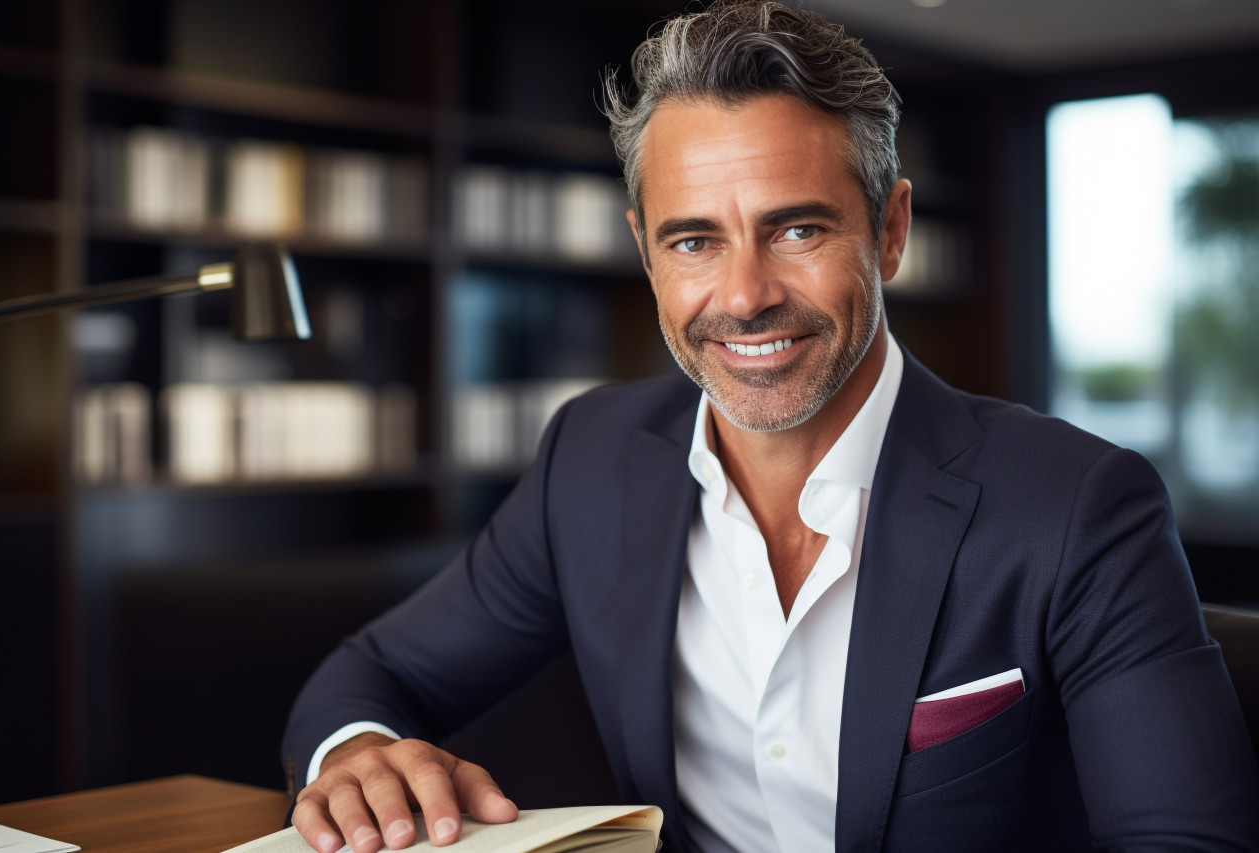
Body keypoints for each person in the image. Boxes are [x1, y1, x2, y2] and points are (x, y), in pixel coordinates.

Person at [283, 2, 1259, 851]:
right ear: (645, 251)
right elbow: (373, 673)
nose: (744, 295)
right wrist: (359, 754)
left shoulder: (1077, 505)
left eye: (797, 229)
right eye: (694, 240)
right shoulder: (591, 457)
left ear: (889, 230)